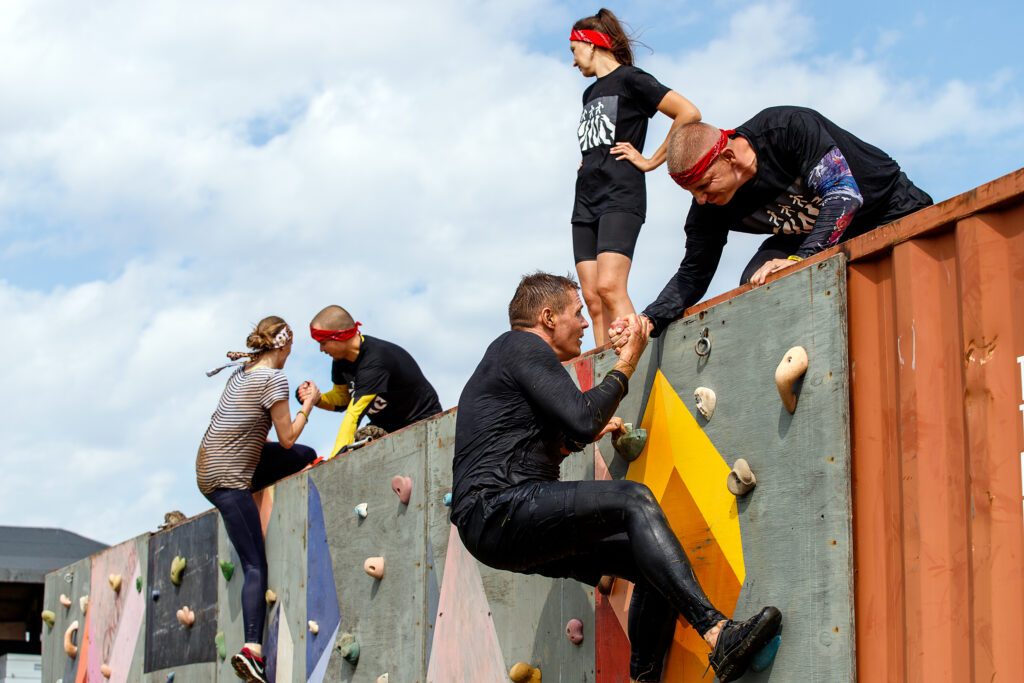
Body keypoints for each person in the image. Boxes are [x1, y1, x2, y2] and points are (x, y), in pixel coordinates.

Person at [450, 272, 782, 682]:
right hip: (497, 507)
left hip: (493, 524)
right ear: (548, 317)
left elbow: (558, 434)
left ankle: (642, 677)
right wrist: (629, 358)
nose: (586, 324)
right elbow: (583, 418)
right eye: (577, 313)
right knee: (632, 499)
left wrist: (578, 436)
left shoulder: (510, 362)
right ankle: (718, 633)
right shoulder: (520, 344)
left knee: (649, 564)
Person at [639, 106, 933, 337]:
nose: (701, 199)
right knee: (758, 281)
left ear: (728, 156)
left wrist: (800, 259)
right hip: (806, 235)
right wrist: (648, 320)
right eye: (692, 193)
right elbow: (693, 274)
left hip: (884, 209)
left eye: (704, 185)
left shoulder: (787, 128)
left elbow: (844, 196)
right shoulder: (709, 206)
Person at [196, 316, 321, 683]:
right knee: (254, 564)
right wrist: (308, 404)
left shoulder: (243, 370)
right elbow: (286, 437)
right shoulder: (273, 379)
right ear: (282, 346)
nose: (288, 358)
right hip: (228, 478)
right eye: (290, 350)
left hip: (210, 463)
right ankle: (252, 650)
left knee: (305, 453)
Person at [569, 8, 702, 345]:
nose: (573, 62)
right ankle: (604, 380)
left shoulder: (631, 79)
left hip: (620, 195)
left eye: (574, 51)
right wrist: (588, 160)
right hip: (585, 199)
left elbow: (688, 112)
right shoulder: (589, 94)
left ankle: (632, 364)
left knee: (610, 287)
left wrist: (650, 161)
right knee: (593, 298)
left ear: (591, 43)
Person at [306, 305, 442, 457]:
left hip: (422, 422)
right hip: (386, 426)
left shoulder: (375, 360)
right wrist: (316, 398)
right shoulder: (340, 360)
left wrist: (335, 459)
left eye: (323, 343)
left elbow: (354, 414)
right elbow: (342, 399)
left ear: (339, 336)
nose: (321, 350)